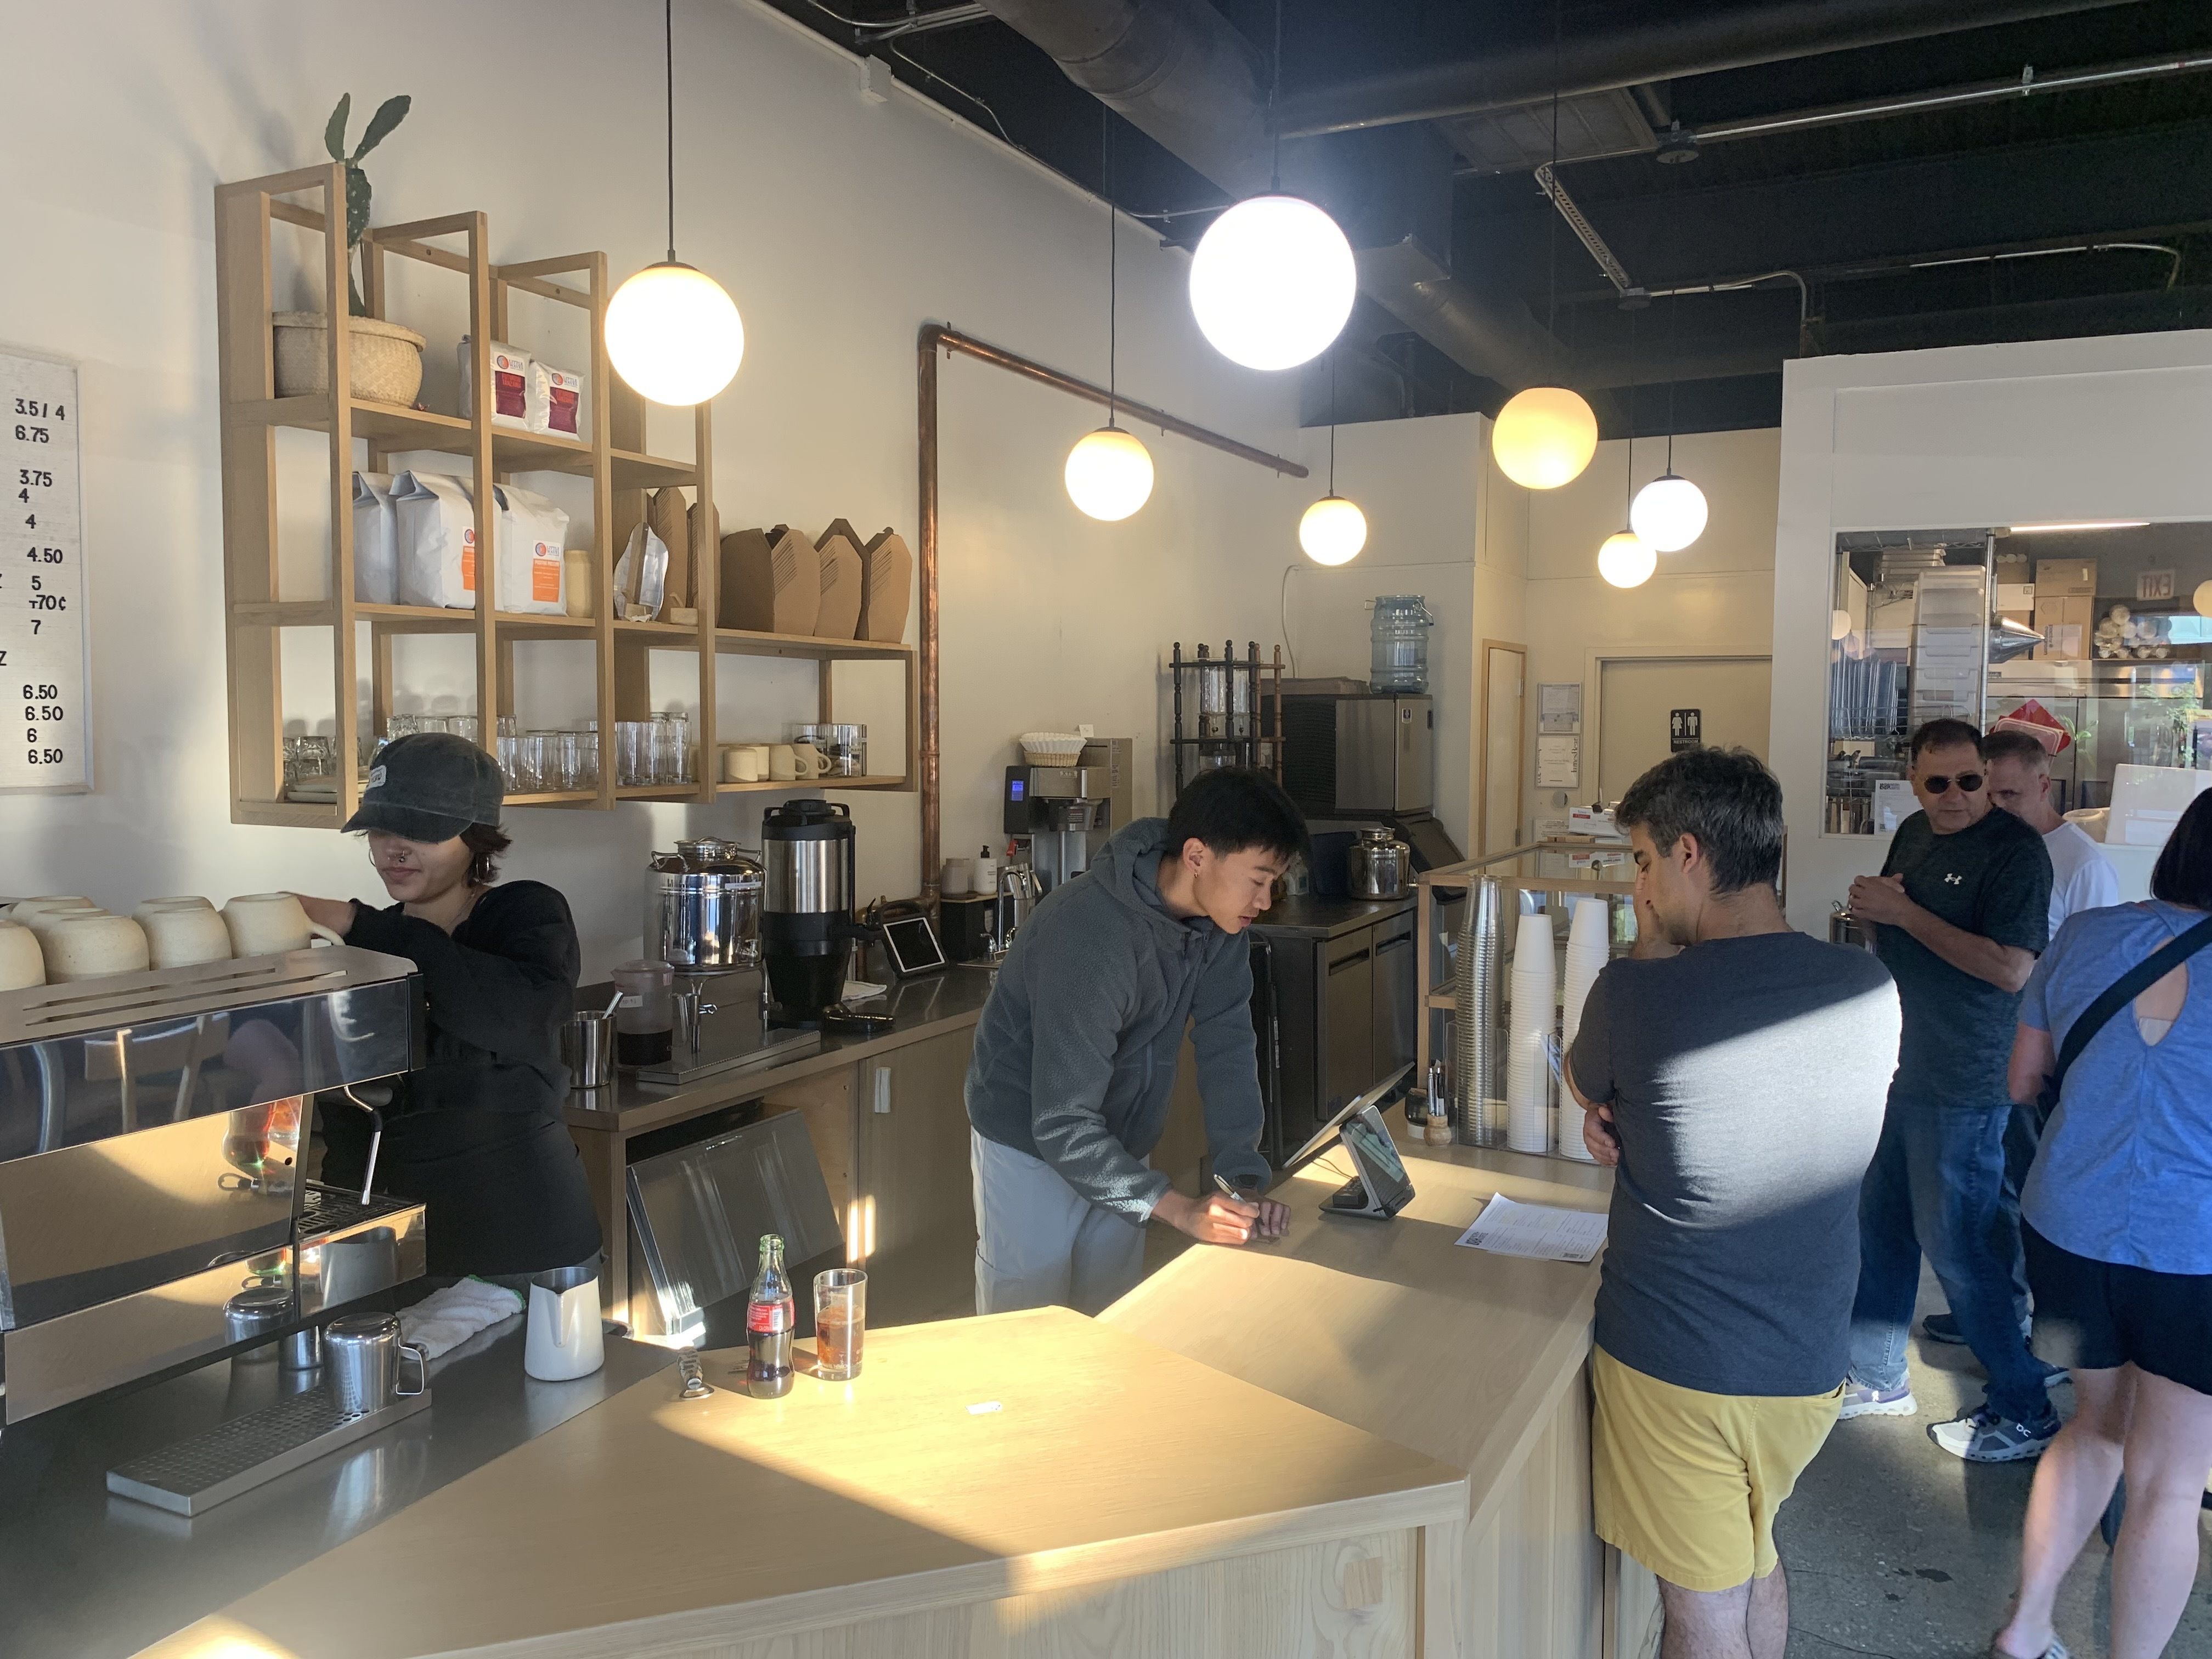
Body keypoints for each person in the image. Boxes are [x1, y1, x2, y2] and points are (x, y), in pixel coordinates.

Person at [1566, 748, 1898, 1659]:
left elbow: (1583, 1074)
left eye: (1638, 861)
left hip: (1682, 1364)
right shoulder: (1867, 985)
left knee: (1699, 1613)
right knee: (1752, 1557)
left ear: (1685, 853)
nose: (1637, 885)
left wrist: (1618, 1094)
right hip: (1806, 1363)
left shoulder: (1637, 989)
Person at [1991, 791, 2212, 1659]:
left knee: (2094, 1428)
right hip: (2192, 1250)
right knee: (2169, 1481)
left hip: (2070, 1228)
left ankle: (2027, 1627)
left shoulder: (2084, 939)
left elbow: (2021, 1083)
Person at [963, 768, 1302, 1315]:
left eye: (1274, 884)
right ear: (1196, 856)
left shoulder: (1221, 927)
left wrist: (1240, 1180)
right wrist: (1178, 1208)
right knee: (1027, 1334)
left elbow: (1229, 1049)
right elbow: (1061, 1122)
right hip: (1031, 1144)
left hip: (1121, 1140)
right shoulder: (1091, 934)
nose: (1264, 901)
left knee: (1112, 1321)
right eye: (1257, 879)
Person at [296, 733, 602, 1281]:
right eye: (382, 829)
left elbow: (514, 1017)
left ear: (474, 837)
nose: (395, 848)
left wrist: (355, 922)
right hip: (393, 1244)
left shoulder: (524, 913)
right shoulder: (365, 950)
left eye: (421, 832)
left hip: (520, 1238)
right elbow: (349, 1106)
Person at [1840, 717, 2059, 1461]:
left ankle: (2024, 1404)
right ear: (1915, 783)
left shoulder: (2015, 852)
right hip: (1902, 1065)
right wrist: (1876, 917)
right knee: (1883, 1227)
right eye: (1941, 783)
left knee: (1961, 1247)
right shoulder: (1914, 835)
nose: (1960, 795)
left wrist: (1903, 912)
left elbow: (2011, 969)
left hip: (1967, 1077)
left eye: (1972, 780)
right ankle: (1875, 1376)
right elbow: (1892, 930)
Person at [1920, 725, 2119, 1351]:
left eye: (2006, 794)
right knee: (1992, 1189)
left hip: (2039, 1053)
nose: (1993, 807)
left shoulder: (2080, 863)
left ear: (2044, 784)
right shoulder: (1989, 851)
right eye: (1988, 792)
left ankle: (2031, 1325)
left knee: (2024, 1189)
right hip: (1987, 1045)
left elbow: (2093, 973)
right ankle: (1996, 1308)